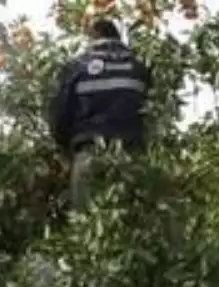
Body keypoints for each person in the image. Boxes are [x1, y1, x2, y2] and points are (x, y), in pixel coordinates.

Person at [48, 18, 152, 209]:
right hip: (130, 156)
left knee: (85, 220)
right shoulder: (139, 69)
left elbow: (61, 115)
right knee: (130, 219)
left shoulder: (76, 67)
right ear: (119, 39)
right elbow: (151, 112)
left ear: (92, 38)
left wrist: (65, 149)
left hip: (89, 153)